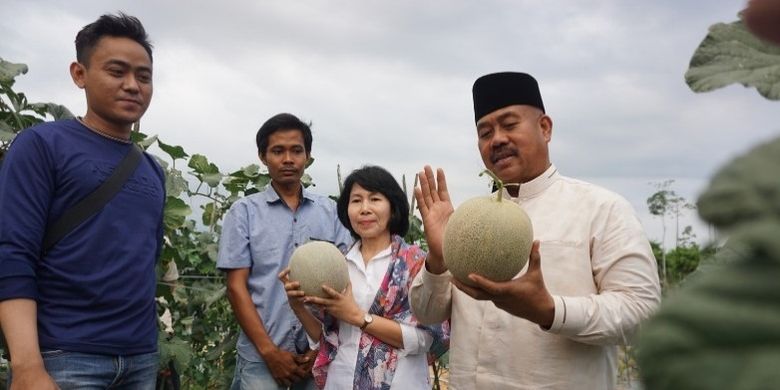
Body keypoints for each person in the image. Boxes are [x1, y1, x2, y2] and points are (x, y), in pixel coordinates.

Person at [410, 72, 661, 389]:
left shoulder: (603, 209)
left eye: (509, 124)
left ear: (545, 128)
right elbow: (427, 313)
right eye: (485, 132)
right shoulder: (468, 219)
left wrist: (551, 311)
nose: (497, 139)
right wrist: (437, 258)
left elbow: (643, 313)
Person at [0, 13, 163, 390]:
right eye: (117, 71)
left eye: (143, 76)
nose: (132, 86)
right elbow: (12, 255)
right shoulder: (42, 146)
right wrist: (27, 366)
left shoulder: (151, 170)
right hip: (64, 356)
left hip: (140, 357)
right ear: (79, 74)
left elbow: (146, 261)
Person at [279, 165, 448, 389]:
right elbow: (326, 337)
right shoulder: (337, 263)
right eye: (356, 200)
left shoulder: (416, 263)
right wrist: (298, 306)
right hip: (341, 380)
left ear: (392, 207)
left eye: (375, 199)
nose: (364, 209)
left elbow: (426, 338)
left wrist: (358, 317)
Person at [218, 113, 353, 390]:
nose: (288, 159)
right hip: (261, 354)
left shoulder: (330, 212)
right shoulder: (244, 213)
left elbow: (346, 281)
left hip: (319, 351)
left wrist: (322, 347)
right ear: (262, 156)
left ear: (308, 156)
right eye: (278, 151)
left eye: (296, 150)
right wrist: (269, 352)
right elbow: (236, 287)